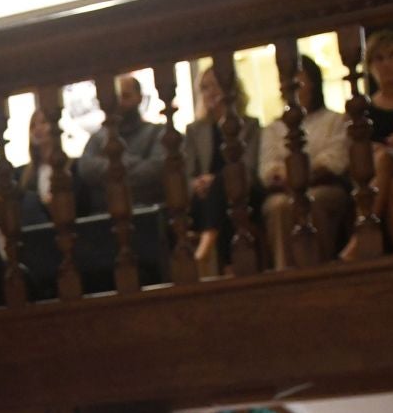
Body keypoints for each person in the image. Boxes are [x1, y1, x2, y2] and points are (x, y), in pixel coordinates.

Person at [257, 53, 352, 265]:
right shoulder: (273, 128)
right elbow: (267, 167)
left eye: (299, 81)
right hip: (284, 189)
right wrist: (287, 175)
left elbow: (335, 159)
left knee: (313, 201)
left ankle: (318, 266)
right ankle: (286, 271)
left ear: (313, 82)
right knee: (279, 207)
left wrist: (304, 173)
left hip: (323, 185)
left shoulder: (334, 120)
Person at [341, 28, 393, 258]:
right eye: (378, 58)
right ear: (370, 67)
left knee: (386, 160)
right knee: (392, 179)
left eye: (392, 55)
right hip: (381, 176)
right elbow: (351, 150)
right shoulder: (364, 109)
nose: (386, 63)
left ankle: (361, 237)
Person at [183, 60, 263, 274]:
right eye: (205, 87)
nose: (211, 92)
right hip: (205, 198)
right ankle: (228, 266)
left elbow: (250, 168)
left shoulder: (250, 125)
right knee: (217, 195)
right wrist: (197, 183)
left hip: (243, 191)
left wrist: (216, 180)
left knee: (226, 184)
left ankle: (206, 246)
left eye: (215, 85)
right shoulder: (194, 130)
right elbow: (188, 173)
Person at [74, 73, 166, 208]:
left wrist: (111, 170)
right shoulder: (98, 137)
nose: (120, 103)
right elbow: (86, 168)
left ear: (139, 98)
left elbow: (155, 169)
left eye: (126, 96)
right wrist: (133, 161)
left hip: (148, 210)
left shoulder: (156, 132)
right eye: (116, 98)